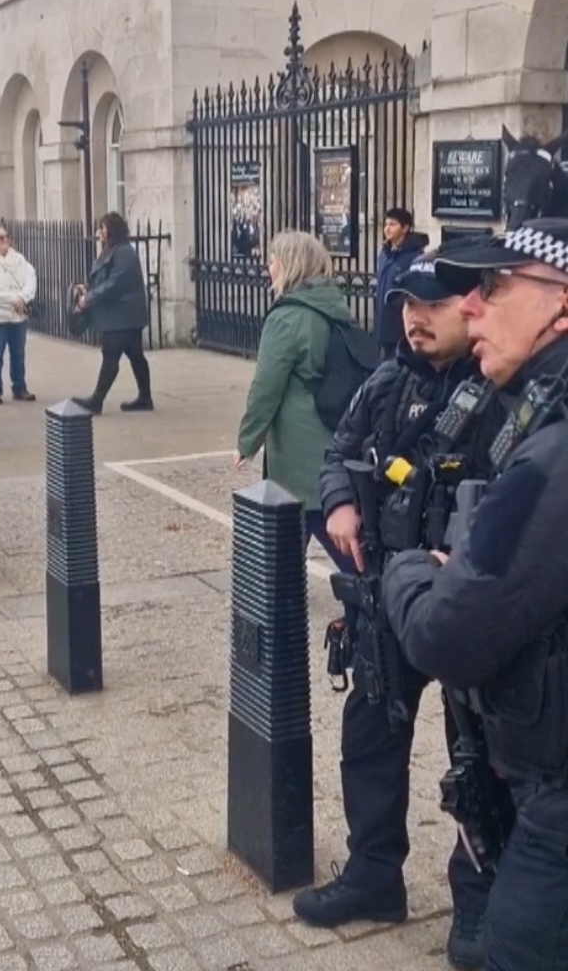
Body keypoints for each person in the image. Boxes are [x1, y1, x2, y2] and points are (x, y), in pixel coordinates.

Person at [293, 251, 509, 970]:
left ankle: (477, 900)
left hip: (464, 607)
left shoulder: (499, 391)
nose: (414, 320)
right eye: (406, 306)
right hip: (385, 597)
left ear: (470, 307)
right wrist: (343, 505)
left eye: (431, 307)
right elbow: (338, 454)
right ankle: (374, 874)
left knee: (476, 757)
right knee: (371, 739)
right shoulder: (386, 381)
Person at [383, 218, 568, 971]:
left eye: (493, 288)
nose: (470, 308)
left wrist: (409, 572)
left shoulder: (551, 457)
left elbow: (448, 633)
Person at [234, 230, 354, 562]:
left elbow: (266, 387)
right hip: (331, 426)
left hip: (298, 442)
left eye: (272, 260)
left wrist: (247, 441)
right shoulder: (334, 306)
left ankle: (276, 604)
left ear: (289, 265)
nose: (268, 266)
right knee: (305, 526)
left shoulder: (286, 317)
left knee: (308, 518)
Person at [73, 212, 153, 414]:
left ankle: (97, 400)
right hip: (122, 315)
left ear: (111, 231)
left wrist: (89, 299)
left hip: (122, 315)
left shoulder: (124, 252)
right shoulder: (112, 250)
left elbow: (115, 283)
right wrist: (87, 289)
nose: (99, 232)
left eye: (102, 228)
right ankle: (145, 397)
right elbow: (104, 278)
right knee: (135, 355)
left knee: (111, 355)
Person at [0, 226, 37, 404]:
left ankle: (20, 387)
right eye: (0, 238)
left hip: (17, 316)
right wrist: (14, 300)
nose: (5, 240)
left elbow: (31, 278)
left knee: (18, 354)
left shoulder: (19, 259)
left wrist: (23, 298)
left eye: (6, 237)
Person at [375, 208, 428, 359]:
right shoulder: (385, 253)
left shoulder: (415, 257)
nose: (387, 229)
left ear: (405, 228)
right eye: (386, 224)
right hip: (383, 324)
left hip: (400, 327)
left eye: (392, 224)